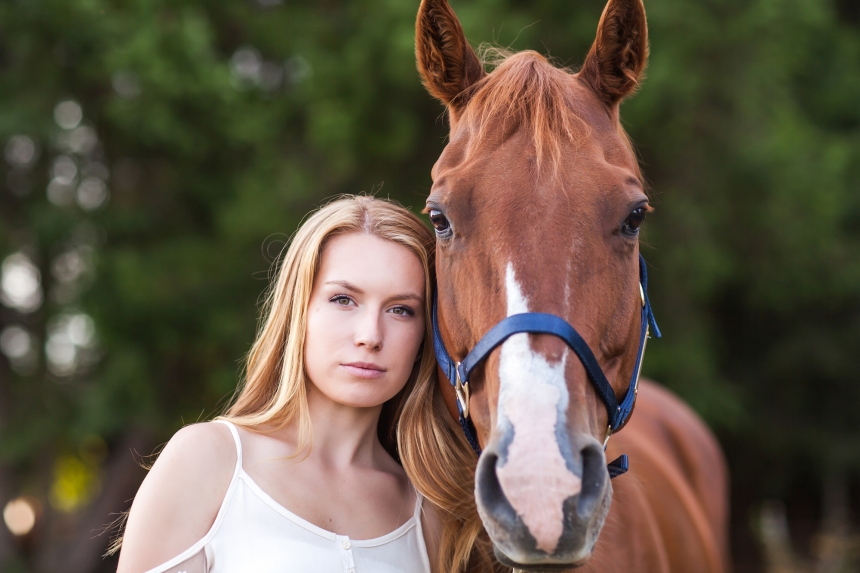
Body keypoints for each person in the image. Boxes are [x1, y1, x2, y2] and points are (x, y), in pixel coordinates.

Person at [115, 195, 441, 573]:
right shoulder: (210, 461)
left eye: (401, 309)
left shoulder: (427, 511)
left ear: (423, 336)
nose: (370, 335)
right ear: (297, 312)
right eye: (343, 299)